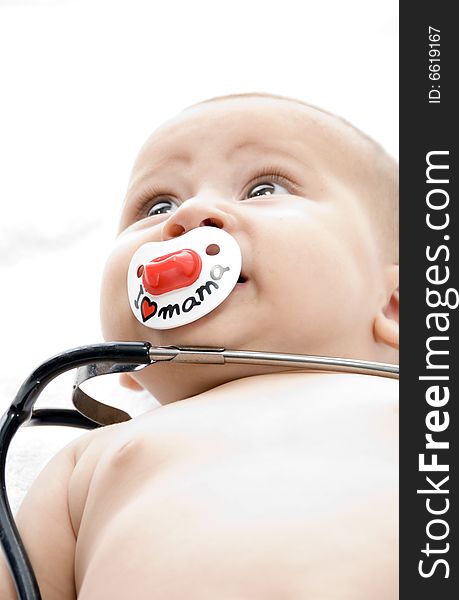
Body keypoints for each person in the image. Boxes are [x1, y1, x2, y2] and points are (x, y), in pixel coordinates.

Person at [0, 93, 399, 599]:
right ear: (124, 360)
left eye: (262, 188)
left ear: (395, 308)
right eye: (156, 205)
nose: (189, 213)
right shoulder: (91, 459)